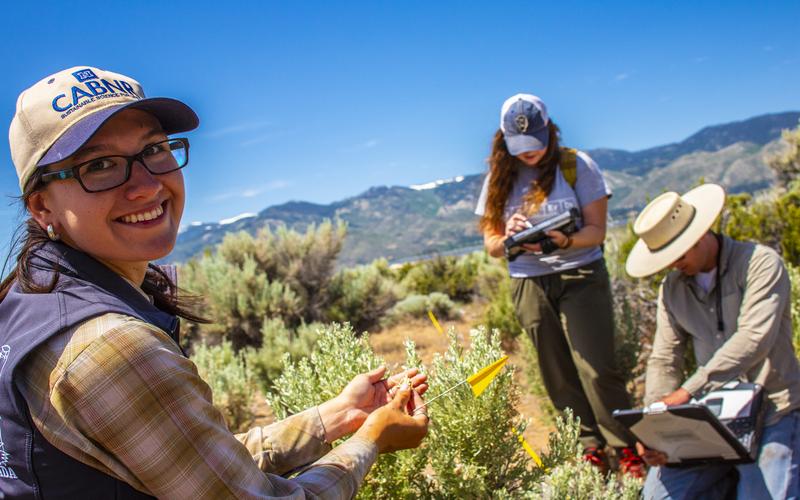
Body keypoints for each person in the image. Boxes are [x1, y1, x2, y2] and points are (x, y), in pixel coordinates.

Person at [0, 66, 429, 499]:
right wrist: (372, 440)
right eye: (101, 165)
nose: (147, 185)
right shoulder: (110, 346)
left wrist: (336, 417)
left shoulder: (30, 303)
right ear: (42, 206)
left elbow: (195, 464)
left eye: (154, 149)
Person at [475, 93, 641, 474]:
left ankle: (625, 446)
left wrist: (561, 239)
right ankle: (588, 447)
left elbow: (596, 233)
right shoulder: (498, 179)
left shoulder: (577, 166)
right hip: (529, 281)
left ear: (549, 130)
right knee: (556, 372)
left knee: (596, 367)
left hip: (580, 273)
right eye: (519, 147)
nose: (528, 153)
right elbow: (492, 247)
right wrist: (512, 235)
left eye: (535, 142)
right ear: (503, 140)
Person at [625, 183, 800, 499]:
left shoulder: (760, 263)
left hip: (775, 411)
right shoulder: (672, 289)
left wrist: (687, 392)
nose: (673, 264)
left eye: (678, 253)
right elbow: (665, 357)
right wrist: (655, 425)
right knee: (658, 496)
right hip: (713, 421)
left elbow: (753, 338)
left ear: (701, 233)